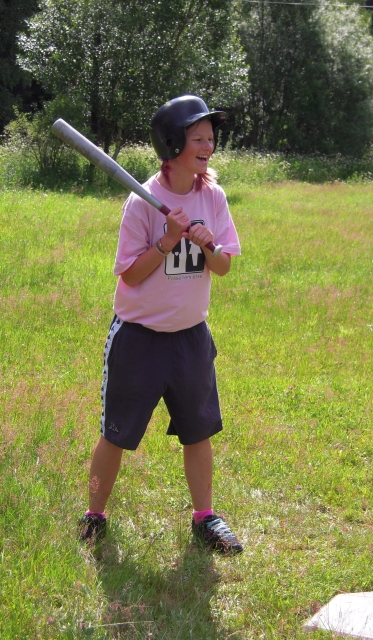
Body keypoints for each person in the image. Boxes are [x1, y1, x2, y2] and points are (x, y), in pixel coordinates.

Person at [79, 95, 243, 555]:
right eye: (198, 138)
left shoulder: (213, 197)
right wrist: (168, 240)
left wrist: (208, 246)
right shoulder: (141, 202)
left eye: (210, 138)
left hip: (191, 338)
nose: (208, 146)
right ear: (172, 145)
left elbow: (224, 266)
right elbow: (130, 275)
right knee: (115, 433)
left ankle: (205, 516)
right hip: (139, 339)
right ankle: (94, 514)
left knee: (199, 431)